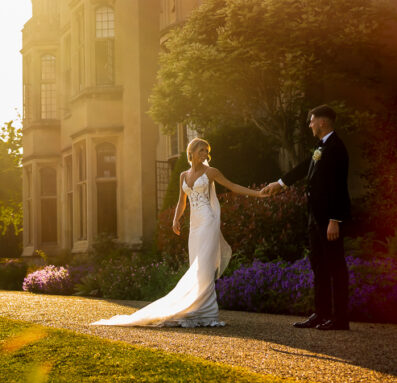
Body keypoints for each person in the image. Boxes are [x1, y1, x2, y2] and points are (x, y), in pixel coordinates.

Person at [92, 137, 266, 327]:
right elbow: (182, 202)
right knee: (196, 266)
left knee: (206, 266)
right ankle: (196, 308)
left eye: (206, 151)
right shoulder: (183, 175)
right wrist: (176, 219)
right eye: (201, 150)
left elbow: (232, 186)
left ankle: (207, 312)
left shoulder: (211, 172)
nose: (204, 154)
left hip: (208, 221)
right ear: (191, 152)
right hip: (194, 225)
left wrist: (257, 193)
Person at [261, 105, 352, 331]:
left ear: (322, 122)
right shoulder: (320, 147)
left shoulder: (337, 148)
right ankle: (321, 314)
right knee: (319, 267)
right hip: (315, 218)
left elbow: (340, 187)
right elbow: (305, 168)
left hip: (329, 220)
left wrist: (335, 220)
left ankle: (340, 319)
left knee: (335, 268)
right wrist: (280, 184)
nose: (309, 125)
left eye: (311, 121)